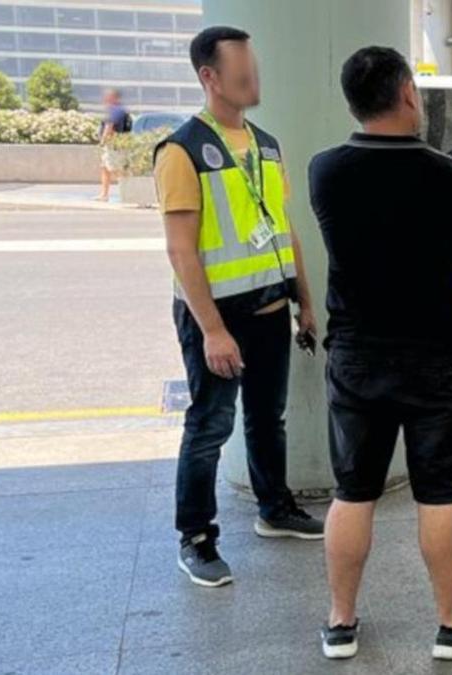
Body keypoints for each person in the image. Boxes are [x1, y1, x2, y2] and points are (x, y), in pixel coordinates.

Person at [309, 46, 452, 662]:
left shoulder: (324, 171)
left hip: (358, 354)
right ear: (409, 92)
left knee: (352, 491)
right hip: (436, 354)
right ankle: (449, 624)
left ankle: (340, 623)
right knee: (438, 493)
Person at [155, 26, 324, 589]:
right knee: (209, 426)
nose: (255, 78)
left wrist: (303, 299)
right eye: (243, 70)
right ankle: (197, 538)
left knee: (266, 417)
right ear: (209, 76)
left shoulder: (267, 145)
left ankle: (275, 508)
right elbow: (181, 250)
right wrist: (211, 331)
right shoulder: (182, 151)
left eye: (255, 67)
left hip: (271, 308)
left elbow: (284, 229)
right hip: (218, 319)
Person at [95, 88, 130, 202]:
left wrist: (103, 140)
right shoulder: (119, 110)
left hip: (114, 145)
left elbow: (109, 126)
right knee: (105, 168)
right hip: (115, 144)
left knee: (116, 169)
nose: (105, 99)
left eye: (108, 96)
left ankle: (127, 192)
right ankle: (104, 194)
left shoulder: (115, 110)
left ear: (114, 98)